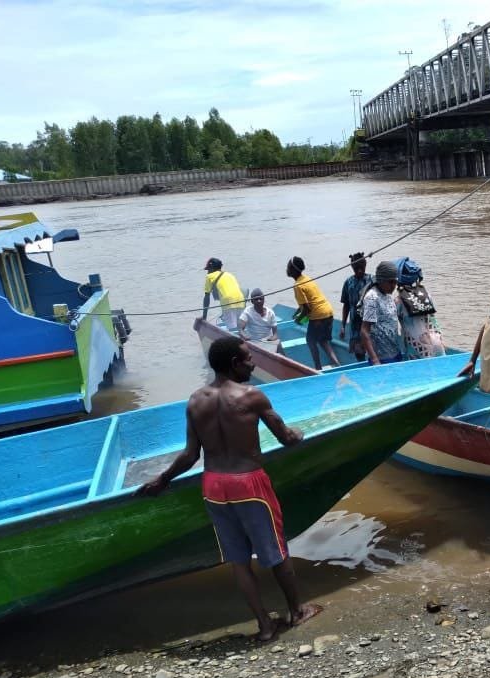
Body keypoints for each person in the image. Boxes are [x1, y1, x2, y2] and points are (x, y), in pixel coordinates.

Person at [137, 337, 323, 641]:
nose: (253, 363)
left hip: (213, 485)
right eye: (248, 358)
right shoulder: (252, 396)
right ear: (234, 364)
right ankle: (297, 612)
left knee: (238, 560)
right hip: (248, 483)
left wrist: (163, 479)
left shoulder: (196, 400)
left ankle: (264, 626)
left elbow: (190, 455)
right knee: (276, 552)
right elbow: (286, 437)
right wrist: (300, 433)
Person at [286, 256, 340, 370]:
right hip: (328, 312)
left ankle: (317, 368)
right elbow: (308, 301)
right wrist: (297, 313)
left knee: (310, 340)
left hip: (318, 316)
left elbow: (307, 309)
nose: (287, 269)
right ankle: (337, 364)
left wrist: (298, 319)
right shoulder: (307, 278)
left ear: (294, 270)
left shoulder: (297, 285)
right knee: (323, 341)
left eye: (289, 267)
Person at [395, 257, 446, 359]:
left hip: (416, 347)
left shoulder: (398, 301)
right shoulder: (426, 295)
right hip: (437, 342)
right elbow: (433, 321)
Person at [360, 260, 403, 365]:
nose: (394, 285)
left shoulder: (387, 295)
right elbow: (364, 331)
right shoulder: (372, 297)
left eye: (395, 281)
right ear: (381, 280)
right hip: (381, 358)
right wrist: (375, 360)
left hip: (395, 352)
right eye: (390, 282)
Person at [339, 252, 374, 362]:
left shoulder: (372, 280)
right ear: (352, 268)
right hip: (355, 326)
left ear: (365, 266)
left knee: (373, 352)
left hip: (371, 324)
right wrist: (343, 326)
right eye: (356, 268)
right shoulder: (348, 283)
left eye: (362, 268)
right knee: (359, 353)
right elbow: (346, 305)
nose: (359, 271)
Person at [202, 257, 244, 331]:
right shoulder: (229, 274)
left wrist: (204, 318)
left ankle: (234, 342)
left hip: (228, 302)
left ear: (212, 268)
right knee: (240, 328)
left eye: (208, 269)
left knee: (232, 329)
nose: (207, 272)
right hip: (241, 301)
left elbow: (207, 297)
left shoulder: (209, 277)